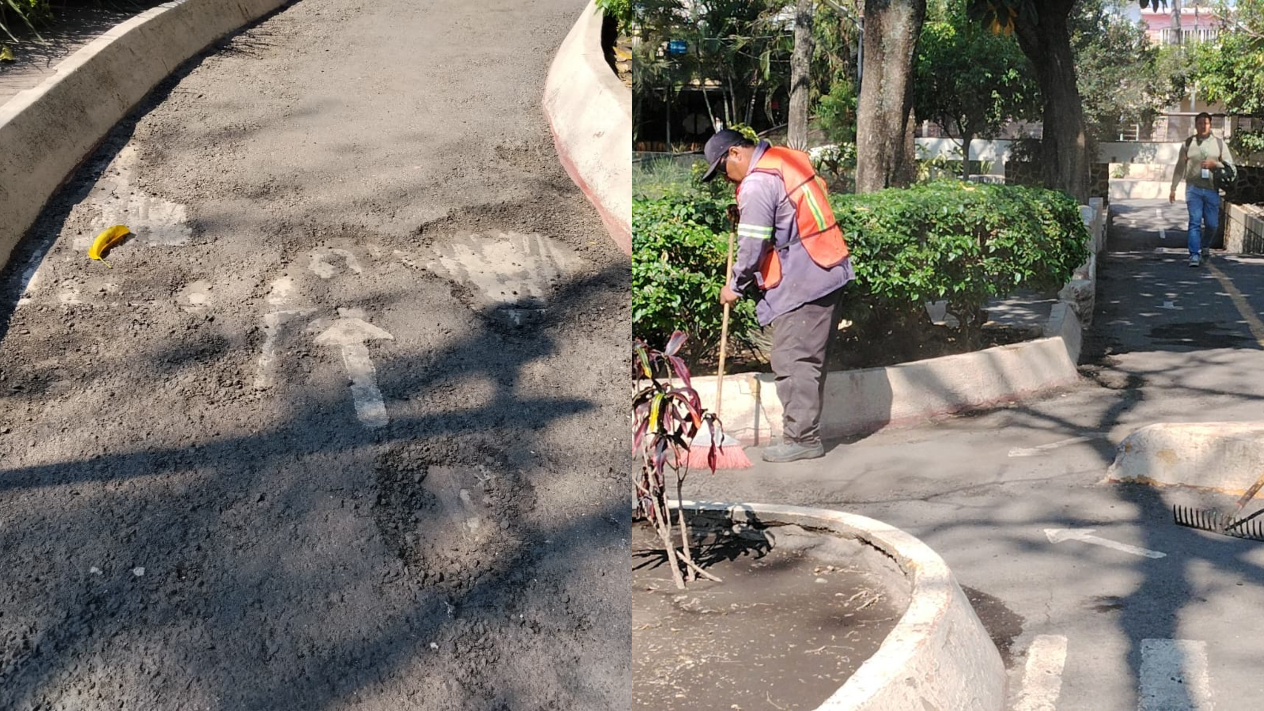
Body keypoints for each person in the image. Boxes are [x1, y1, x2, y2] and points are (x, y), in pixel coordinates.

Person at [702, 129, 854, 463]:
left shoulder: (757, 183)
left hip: (805, 277)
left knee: (792, 359)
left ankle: (802, 439)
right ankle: (804, 431)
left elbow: (753, 245)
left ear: (735, 154)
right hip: (827, 266)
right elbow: (787, 212)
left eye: (722, 169)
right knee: (808, 359)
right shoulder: (783, 159)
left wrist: (735, 286)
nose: (725, 179)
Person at [1170, 112, 1236, 267]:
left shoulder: (1219, 144)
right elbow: (1180, 167)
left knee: (1212, 224)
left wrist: (1215, 164)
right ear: (1196, 125)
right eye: (1200, 123)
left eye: (1206, 123)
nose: (1203, 126)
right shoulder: (1188, 143)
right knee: (1194, 221)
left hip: (1212, 189)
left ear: (1210, 125)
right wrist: (1173, 187)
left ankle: (1204, 246)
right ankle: (1194, 255)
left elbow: (1230, 166)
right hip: (1193, 189)